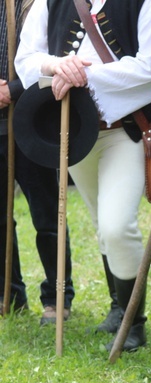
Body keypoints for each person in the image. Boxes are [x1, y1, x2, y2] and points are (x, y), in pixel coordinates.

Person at [15, 0, 151, 351]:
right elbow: (26, 60)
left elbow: (150, 66)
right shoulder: (50, 3)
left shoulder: (147, 2)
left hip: (123, 129)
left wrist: (83, 75)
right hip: (72, 128)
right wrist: (55, 64)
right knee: (101, 222)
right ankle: (117, 306)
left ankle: (133, 319)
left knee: (117, 225)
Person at [0, 0, 75, 325]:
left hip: (30, 120)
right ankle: (9, 294)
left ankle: (57, 298)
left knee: (47, 214)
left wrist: (12, 89)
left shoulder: (39, 3)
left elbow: (53, 61)